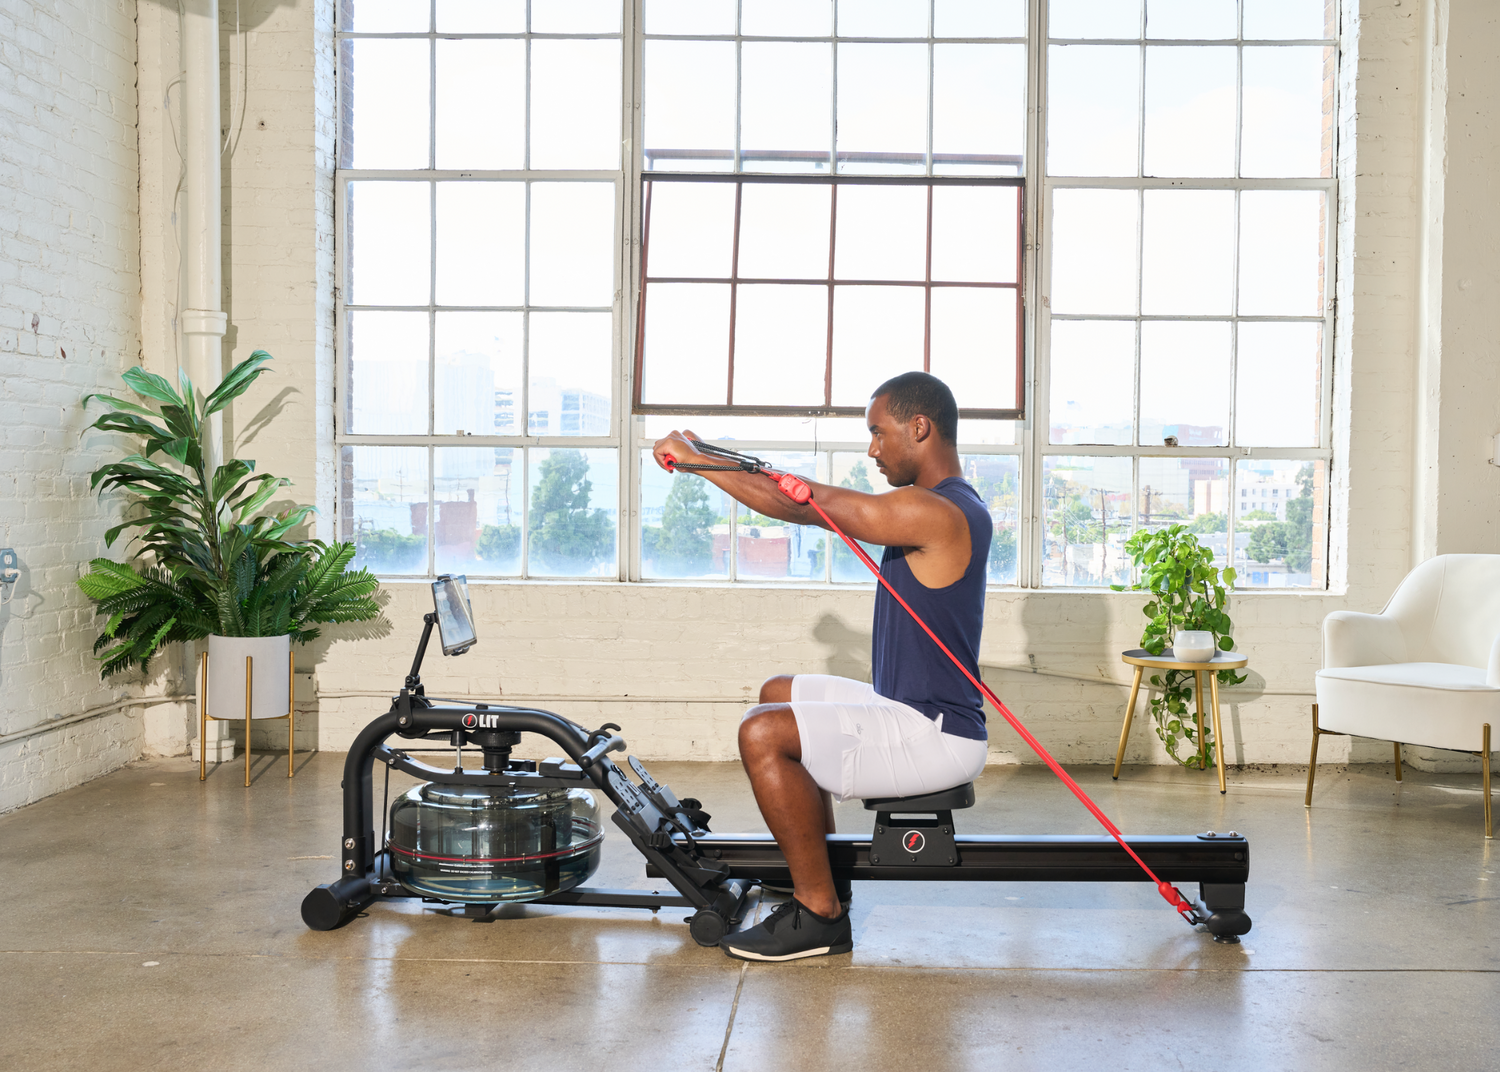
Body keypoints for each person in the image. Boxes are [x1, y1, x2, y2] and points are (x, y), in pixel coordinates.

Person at [650, 371, 992, 962]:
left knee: (763, 732)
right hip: (907, 710)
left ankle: (819, 913)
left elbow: (802, 503)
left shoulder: (934, 511)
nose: (872, 449)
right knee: (777, 692)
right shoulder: (944, 505)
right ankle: (823, 874)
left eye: (879, 433)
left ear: (919, 427)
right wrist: (704, 455)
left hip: (934, 734)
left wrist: (696, 461)